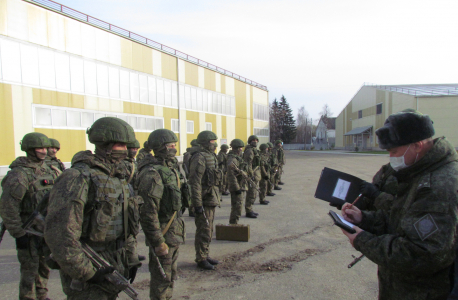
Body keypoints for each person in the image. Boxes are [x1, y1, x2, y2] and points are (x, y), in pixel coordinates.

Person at [340, 110, 458, 300]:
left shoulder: (438, 185)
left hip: (420, 292)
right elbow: (402, 219)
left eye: (394, 151)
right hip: (401, 289)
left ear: (417, 145)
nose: (391, 157)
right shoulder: (418, 171)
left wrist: (363, 240)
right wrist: (364, 218)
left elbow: (423, 254)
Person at [44, 117, 142, 300]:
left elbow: (126, 226)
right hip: (89, 261)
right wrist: (86, 272)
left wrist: (131, 258)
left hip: (115, 259)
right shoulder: (78, 177)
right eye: (120, 144)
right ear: (105, 144)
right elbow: (61, 234)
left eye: (126, 145)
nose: (125, 150)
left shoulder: (119, 177)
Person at [0, 132, 57, 300]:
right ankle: (28, 297)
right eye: (40, 148)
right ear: (30, 150)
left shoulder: (50, 170)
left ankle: (42, 295)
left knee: (45, 266)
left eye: (45, 147)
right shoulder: (19, 175)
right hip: (28, 231)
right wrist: (18, 233)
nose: (44, 151)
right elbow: (8, 207)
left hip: (45, 229)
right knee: (29, 270)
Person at [135, 129, 185, 300]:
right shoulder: (152, 173)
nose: (174, 148)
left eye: (175, 145)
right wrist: (157, 241)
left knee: (170, 275)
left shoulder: (169, 168)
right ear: (160, 147)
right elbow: (148, 212)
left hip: (173, 232)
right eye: (170, 145)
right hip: (163, 235)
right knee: (162, 278)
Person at [188, 130, 222, 270]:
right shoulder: (200, 157)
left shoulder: (210, 156)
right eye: (212, 142)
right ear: (206, 143)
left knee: (208, 229)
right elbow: (195, 182)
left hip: (211, 197)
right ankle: (201, 258)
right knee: (204, 229)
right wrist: (197, 204)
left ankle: (205, 254)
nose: (214, 144)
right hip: (203, 198)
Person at [227, 139, 251, 224]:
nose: (241, 149)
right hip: (237, 187)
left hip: (241, 184)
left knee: (239, 206)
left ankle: (234, 223)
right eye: (240, 148)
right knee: (237, 207)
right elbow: (231, 175)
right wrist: (236, 188)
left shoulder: (238, 157)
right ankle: (233, 224)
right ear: (236, 148)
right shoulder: (232, 159)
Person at [243, 135, 262, 218]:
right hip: (252, 175)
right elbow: (248, 164)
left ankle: (250, 209)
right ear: (250, 141)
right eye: (253, 140)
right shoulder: (250, 151)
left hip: (256, 174)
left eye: (256, 140)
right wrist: (251, 174)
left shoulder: (255, 150)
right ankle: (248, 210)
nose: (255, 141)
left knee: (253, 193)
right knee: (251, 193)